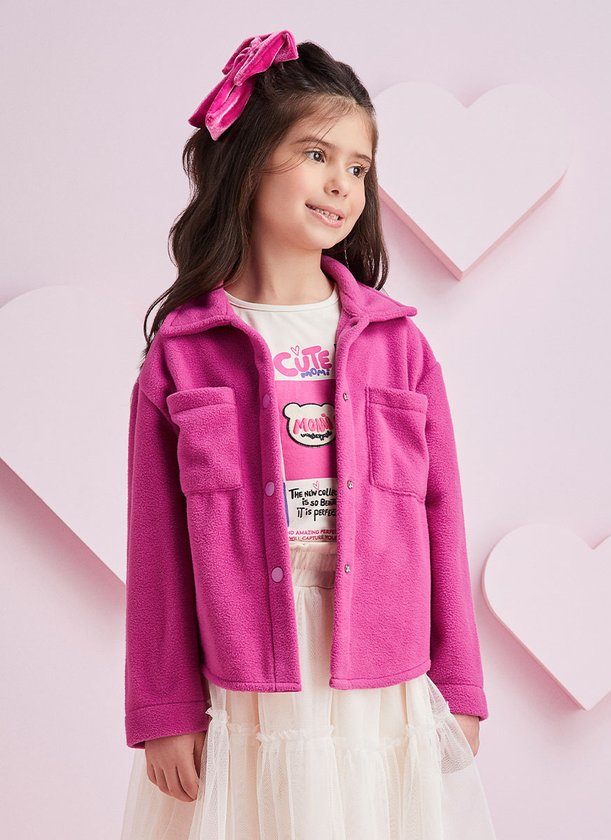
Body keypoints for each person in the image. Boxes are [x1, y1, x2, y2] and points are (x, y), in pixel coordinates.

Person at [120, 30, 497, 840]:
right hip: (249, 684)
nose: (341, 185)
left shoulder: (399, 345)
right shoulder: (184, 355)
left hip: (382, 684)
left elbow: (442, 515)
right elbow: (157, 544)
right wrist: (163, 706)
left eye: (359, 168)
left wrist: (460, 685)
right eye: (317, 155)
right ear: (250, 159)